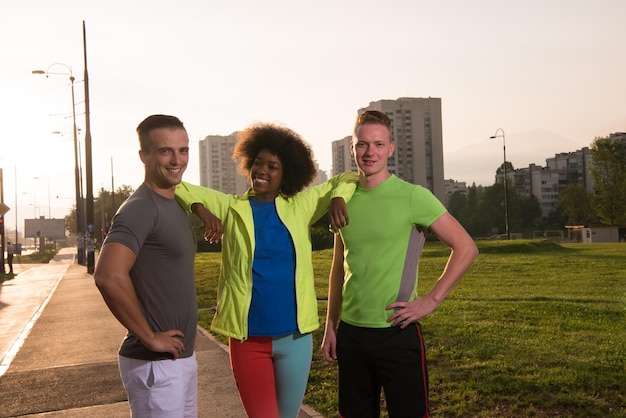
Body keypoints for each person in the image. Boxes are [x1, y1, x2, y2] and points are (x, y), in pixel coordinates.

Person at [175, 122, 358, 418]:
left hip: (295, 340)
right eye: (258, 163)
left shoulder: (301, 206)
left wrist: (337, 198)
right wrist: (200, 209)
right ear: (248, 164)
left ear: (286, 174)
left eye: (273, 166)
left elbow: (348, 177)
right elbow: (178, 185)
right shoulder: (231, 208)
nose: (263, 170)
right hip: (248, 341)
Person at [322, 109, 479, 418]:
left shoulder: (413, 197)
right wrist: (330, 325)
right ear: (352, 148)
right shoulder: (344, 198)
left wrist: (431, 300)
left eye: (379, 144)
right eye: (363, 144)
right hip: (351, 335)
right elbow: (338, 266)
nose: (370, 152)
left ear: (391, 148)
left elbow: (466, 247)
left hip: (397, 333)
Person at [94, 114, 202, 417]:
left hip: (178, 360)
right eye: (165, 151)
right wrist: (149, 336)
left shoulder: (172, 203)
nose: (176, 159)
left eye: (183, 150)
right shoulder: (141, 207)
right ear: (144, 155)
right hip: (154, 365)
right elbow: (108, 275)